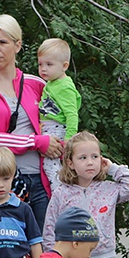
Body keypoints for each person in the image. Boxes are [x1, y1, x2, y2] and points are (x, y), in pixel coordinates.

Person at [0, 14, 64, 231]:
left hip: (43, 180)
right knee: (10, 250)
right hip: (4, 183)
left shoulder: (36, 83)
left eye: (3, 42)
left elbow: (61, 121)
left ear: (18, 45)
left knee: (46, 249)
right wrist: (37, 142)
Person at [37, 38, 81, 191]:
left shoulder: (65, 86)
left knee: (50, 164)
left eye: (49, 64)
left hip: (57, 130)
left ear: (64, 66)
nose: (43, 69)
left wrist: (70, 137)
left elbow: (72, 114)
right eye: (40, 64)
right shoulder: (52, 83)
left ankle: (60, 193)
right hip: (49, 128)